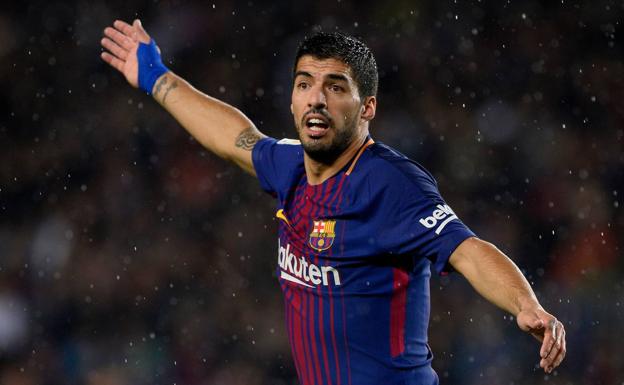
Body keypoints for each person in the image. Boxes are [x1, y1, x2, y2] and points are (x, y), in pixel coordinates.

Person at [100, 19, 566, 385]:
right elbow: (234, 138)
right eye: (305, 84)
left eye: (335, 87)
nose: (316, 99)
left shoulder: (389, 182)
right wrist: (156, 78)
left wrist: (525, 305)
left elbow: (467, 249)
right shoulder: (290, 168)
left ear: (367, 108)